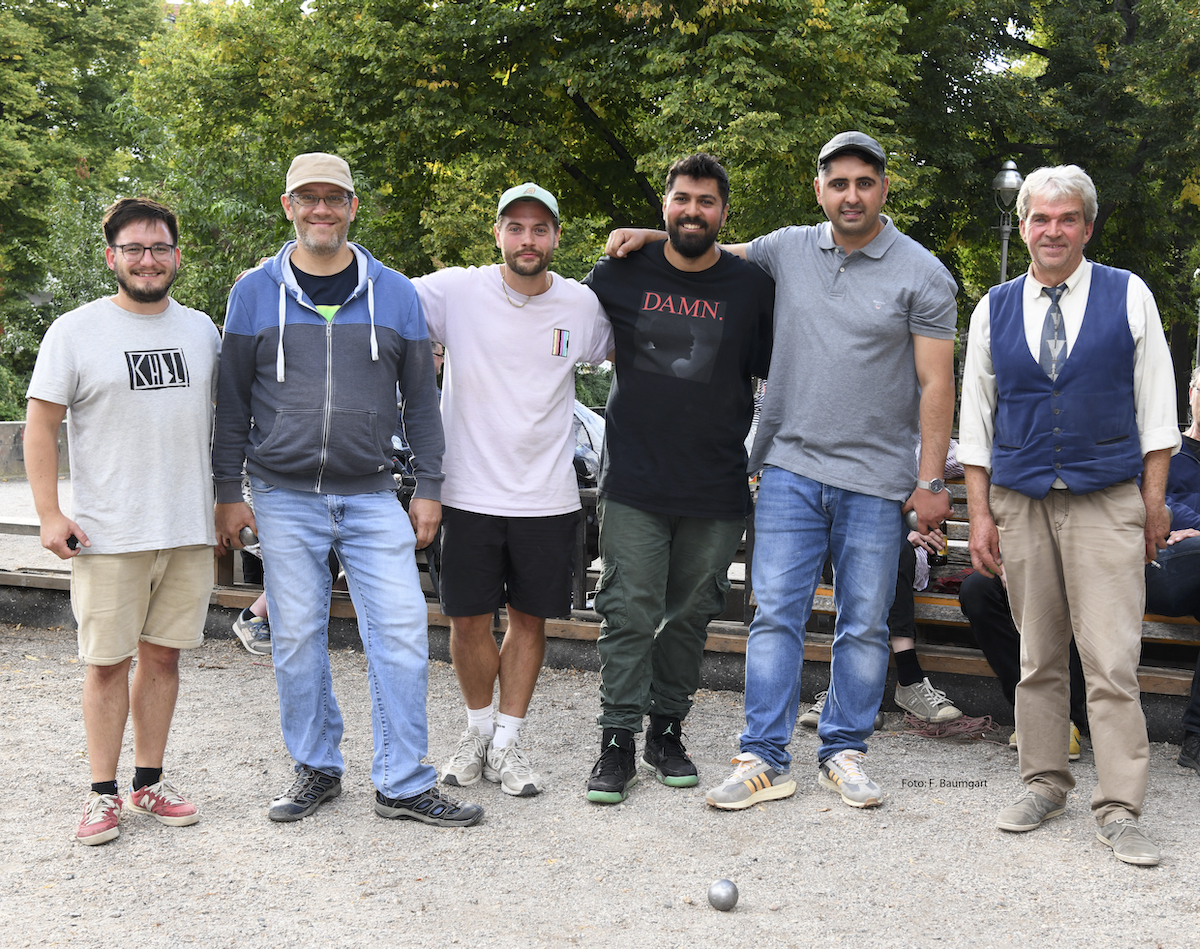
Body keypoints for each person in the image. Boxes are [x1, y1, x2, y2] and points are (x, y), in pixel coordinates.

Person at [607, 130, 957, 809]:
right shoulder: (787, 248)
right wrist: (650, 235)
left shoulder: (923, 272)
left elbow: (936, 383)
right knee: (774, 618)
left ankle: (843, 751)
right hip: (789, 468)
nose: (851, 195)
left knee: (864, 623)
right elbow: (713, 249)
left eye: (864, 183)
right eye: (838, 183)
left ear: (884, 189)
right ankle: (764, 757)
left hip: (876, 478)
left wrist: (932, 480)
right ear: (818, 189)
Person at [212, 152, 481, 828]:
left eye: (334, 197)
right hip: (282, 494)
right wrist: (226, 489)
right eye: (308, 198)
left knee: (402, 633)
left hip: (371, 493)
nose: (321, 209)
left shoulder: (396, 293)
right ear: (289, 207)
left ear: (353, 207)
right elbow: (231, 401)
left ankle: (402, 781)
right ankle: (316, 766)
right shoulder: (253, 292)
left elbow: (421, 399)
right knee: (296, 638)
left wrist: (430, 485)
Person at [959, 164, 1178, 866]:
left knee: (1111, 660)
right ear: (1023, 226)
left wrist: (1152, 502)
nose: (1053, 230)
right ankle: (1044, 782)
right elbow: (976, 422)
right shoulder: (993, 307)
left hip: (1106, 498)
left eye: (1067, 218)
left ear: (1087, 227)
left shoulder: (1129, 294)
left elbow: (1157, 411)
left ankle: (1120, 807)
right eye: (1040, 218)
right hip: (1021, 501)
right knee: (1038, 655)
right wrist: (981, 515)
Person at [579, 153, 774, 804]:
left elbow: (778, 366)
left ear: (724, 212)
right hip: (634, 477)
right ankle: (617, 741)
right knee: (628, 610)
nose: (693, 211)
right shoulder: (618, 272)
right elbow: (559, 326)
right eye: (682, 200)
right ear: (664, 205)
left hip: (715, 484)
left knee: (690, 617)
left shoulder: (751, 287)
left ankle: (666, 731)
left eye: (706, 201)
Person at [25, 197, 217, 845]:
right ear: (111, 257)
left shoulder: (202, 331)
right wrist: (49, 513)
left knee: (164, 659)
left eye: (159, 248)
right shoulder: (75, 331)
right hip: (108, 533)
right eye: (133, 248)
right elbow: (40, 427)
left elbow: (225, 425)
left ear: (177, 256)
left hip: (187, 529)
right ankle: (101, 794)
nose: (147, 259)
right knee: (106, 663)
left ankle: (148, 782)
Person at [412, 182, 612, 798]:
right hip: (467, 492)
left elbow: (640, 340)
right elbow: (372, 295)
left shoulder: (581, 305)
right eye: (516, 227)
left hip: (547, 497)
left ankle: (507, 742)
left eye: (540, 229)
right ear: (497, 233)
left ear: (556, 237)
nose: (528, 240)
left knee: (529, 622)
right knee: (467, 621)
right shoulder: (454, 291)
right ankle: (476, 733)